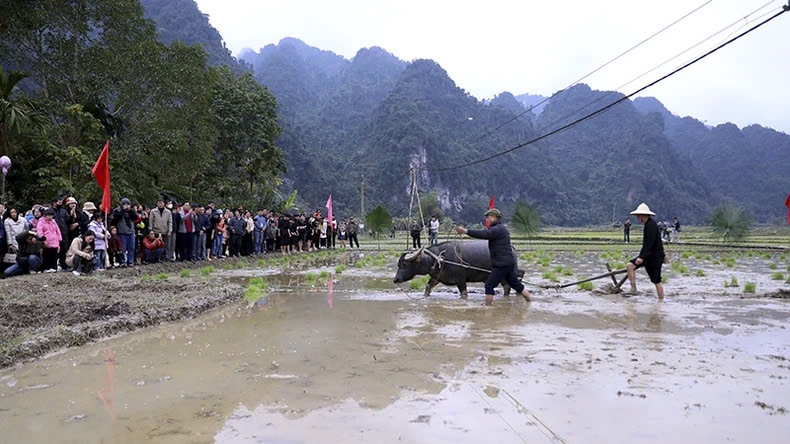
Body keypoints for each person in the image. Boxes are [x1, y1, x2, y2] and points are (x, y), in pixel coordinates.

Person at [455, 208, 532, 305]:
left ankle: (488, 307)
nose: (487, 219)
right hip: (507, 262)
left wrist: (466, 231)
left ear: (494, 217)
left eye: (488, 217)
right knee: (515, 284)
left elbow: (484, 234)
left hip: (501, 263)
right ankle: (530, 301)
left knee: (489, 285)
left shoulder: (497, 229)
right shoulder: (500, 229)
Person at [625, 203, 665, 300]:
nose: (638, 218)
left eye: (639, 216)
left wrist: (641, 257)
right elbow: (647, 245)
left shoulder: (651, 226)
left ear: (643, 216)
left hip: (654, 257)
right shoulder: (648, 225)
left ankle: (661, 301)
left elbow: (649, 244)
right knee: (630, 265)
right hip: (649, 256)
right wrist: (642, 256)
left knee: (656, 281)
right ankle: (633, 289)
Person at [111, 198, 138, 267]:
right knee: (122, 248)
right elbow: (116, 218)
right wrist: (123, 210)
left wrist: (131, 210)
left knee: (131, 248)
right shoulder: (117, 210)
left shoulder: (131, 210)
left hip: (131, 231)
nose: (126, 206)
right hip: (122, 231)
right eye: (124, 204)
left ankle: (130, 261)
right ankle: (123, 261)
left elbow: (135, 217)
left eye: (128, 204)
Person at [37, 208, 62, 272]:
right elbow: (40, 231)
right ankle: (46, 268)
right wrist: (43, 239)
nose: (50, 217)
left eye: (51, 215)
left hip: (55, 241)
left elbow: (57, 231)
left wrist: (59, 239)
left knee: (54, 256)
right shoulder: (41, 222)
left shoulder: (54, 222)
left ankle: (53, 267)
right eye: (48, 215)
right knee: (47, 256)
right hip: (47, 242)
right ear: (45, 215)